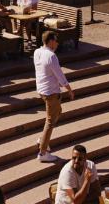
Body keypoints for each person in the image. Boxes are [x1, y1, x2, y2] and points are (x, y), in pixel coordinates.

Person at [34, 30, 74, 162]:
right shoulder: (51, 56)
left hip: (42, 90)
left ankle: (43, 139)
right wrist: (69, 89)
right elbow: (60, 75)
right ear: (51, 41)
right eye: (56, 41)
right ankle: (42, 153)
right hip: (51, 92)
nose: (57, 43)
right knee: (50, 122)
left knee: (58, 112)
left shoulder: (37, 52)